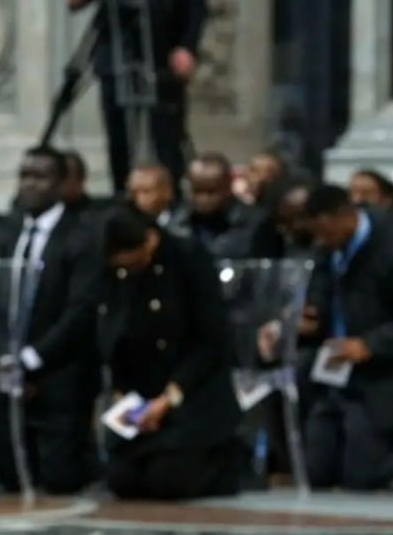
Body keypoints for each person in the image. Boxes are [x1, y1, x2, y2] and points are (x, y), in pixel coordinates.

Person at [22, 205, 245, 500]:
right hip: (140, 392)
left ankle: (229, 460)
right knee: (124, 481)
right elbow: (98, 325)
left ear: (150, 241)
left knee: (169, 481)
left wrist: (168, 400)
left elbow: (211, 341)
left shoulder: (188, 258)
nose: (127, 273)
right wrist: (122, 395)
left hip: (189, 389)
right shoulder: (112, 273)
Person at [298, 184, 393, 491]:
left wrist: (369, 345)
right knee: (317, 471)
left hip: (389, 371)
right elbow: (320, 288)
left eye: (325, 233)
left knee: (359, 477)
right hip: (337, 367)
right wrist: (312, 316)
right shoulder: (329, 247)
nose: (321, 242)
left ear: (343, 218)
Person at [67, 0, 206, 193]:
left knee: (165, 132)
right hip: (114, 43)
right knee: (118, 132)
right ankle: (122, 192)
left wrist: (187, 45)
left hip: (161, 46)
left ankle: (170, 196)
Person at [0, 147, 101, 494]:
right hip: (9, 368)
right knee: (10, 476)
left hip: (60, 369)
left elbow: (80, 311)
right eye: (25, 176)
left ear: (60, 184)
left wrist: (33, 358)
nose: (29, 185)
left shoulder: (81, 236)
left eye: (40, 177)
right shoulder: (7, 232)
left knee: (60, 476)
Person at [171, 151, 260, 257]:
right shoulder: (179, 222)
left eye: (211, 192)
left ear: (227, 186)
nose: (203, 199)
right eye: (197, 191)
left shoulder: (254, 222)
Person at [126, 163, 179, 232]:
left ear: (167, 191)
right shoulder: (125, 230)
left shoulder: (185, 225)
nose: (140, 199)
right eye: (133, 193)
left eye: (146, 191)